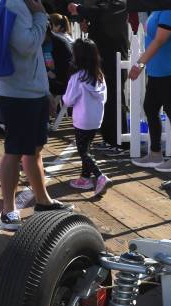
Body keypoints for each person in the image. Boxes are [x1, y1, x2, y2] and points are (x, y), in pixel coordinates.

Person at [0, 0, 74, 231]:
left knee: (34, 149)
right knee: (15, 151)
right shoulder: (15, 4)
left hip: (29, 91)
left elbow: (34, 55)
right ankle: (8, 210)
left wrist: (44, 91)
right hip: (17, 93)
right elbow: (27, 45)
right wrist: (41, 16)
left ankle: (42, 200)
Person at [129, 8, 171, 173]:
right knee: (150, 107)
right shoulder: (158, 7)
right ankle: (155, 153)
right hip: (157, 68)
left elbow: (160, 40)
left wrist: (139, 64)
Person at [68, 0, 129, 155]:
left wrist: (79, 8)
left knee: (115, 101)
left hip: (114, 61)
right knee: (105, 102)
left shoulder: (118, 4)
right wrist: (88, 28)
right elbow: (101, 23)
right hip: (103, 60)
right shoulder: (104, 6)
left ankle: (120, 144)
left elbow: (100, 11)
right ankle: (109, 139)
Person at [63, 38, 111, 196]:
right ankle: (84, 178)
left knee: (83, 151)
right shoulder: (99, 76)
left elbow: (68, 100)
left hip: (82, 120)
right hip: (96, 119)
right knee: (87, 147)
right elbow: (104, 98)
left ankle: (100, 176)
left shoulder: (78, 77)